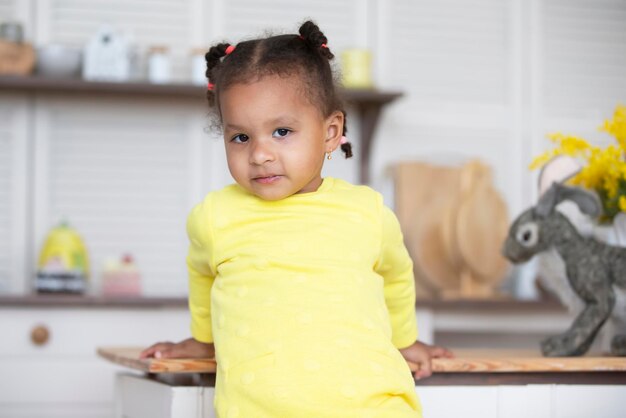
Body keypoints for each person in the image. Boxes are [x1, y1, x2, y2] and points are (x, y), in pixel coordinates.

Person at [140, 20, 453, 418]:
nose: (260, 154)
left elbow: (396, 275)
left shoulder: (366, 212)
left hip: (375, 408)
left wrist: (406, 341)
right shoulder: (216, 217)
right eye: (241, 138)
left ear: (330, 132)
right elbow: (203, 277)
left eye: (282, 131)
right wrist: (204, 341)